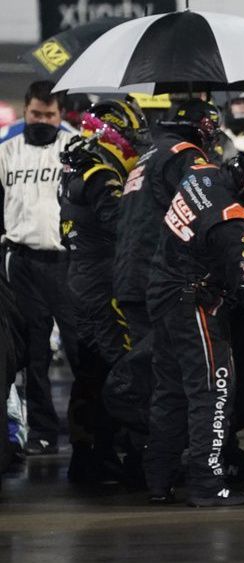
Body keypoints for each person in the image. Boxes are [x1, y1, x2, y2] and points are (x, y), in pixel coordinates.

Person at [143, 144, 244, 507]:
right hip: (195, 304)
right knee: (213, 392)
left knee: (169, 392)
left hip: (162, 289)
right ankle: (206, 484)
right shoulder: (236, 223)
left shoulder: (199, 174)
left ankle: (157, 480)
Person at [58, 99, 149, 481]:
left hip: (80, 277)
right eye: (130, 136)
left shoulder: (79, 162)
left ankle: (90, 455)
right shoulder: (100, 173)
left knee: (90, 370)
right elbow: (121, 224)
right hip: (100, 282)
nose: (134, 144)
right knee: (122, 368)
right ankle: (130, 455)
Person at [0, 80, 83, 455]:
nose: (42, 120)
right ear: (26, 109)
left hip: (67, 262)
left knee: (80, 350)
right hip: (22, 262)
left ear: (61, 115)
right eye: (36, 113)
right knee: (33, 354)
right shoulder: (6, 149)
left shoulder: (75, 148)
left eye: (50, 114)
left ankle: (86, 435)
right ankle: (42, 433)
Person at [114, 99, 222, 344]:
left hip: (129, 274)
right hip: (156, 277)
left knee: (144, 363)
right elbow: (204, 207)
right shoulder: (184, 155)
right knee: (162, 367)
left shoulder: (151, 153)